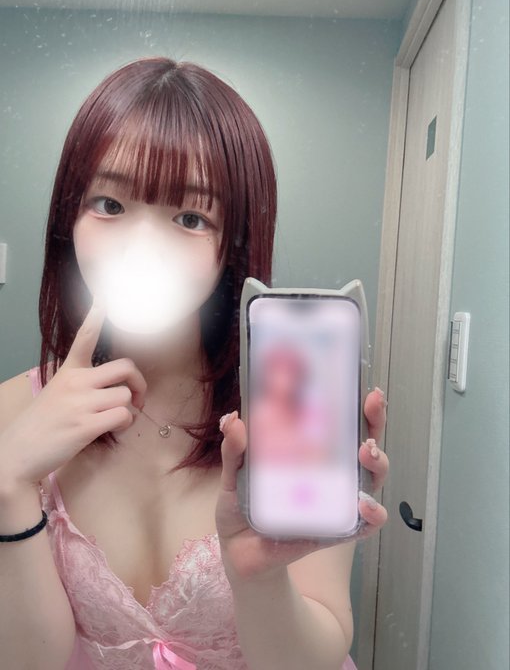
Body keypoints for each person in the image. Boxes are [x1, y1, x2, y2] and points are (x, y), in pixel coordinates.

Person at [0, 57, 389, 670]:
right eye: (109, 204)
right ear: (66, 223)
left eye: (189, 217)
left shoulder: (291, 411)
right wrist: (9, 486)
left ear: (233, 244)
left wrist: (260, 576)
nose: (141, 245)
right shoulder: (12, 413)